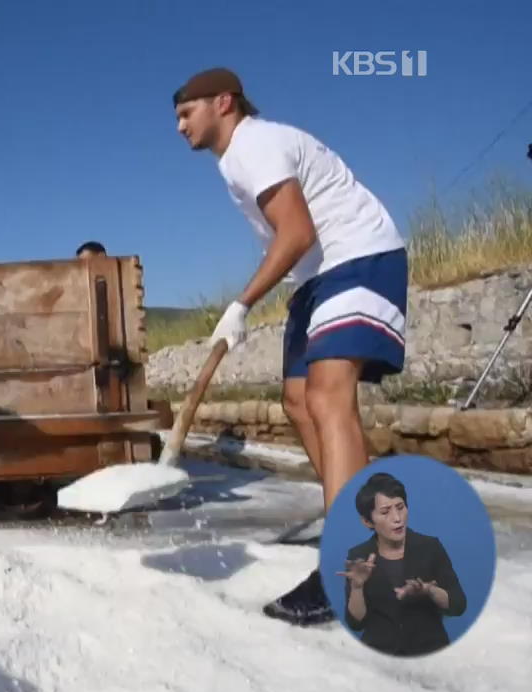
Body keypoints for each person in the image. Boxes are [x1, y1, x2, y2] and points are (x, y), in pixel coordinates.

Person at [173, 68, 409, 625]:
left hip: (356, 257)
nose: (179, 126)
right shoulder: (237, 158)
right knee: (300, 401)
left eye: (187, 113)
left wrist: (242, 303)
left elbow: (297, 231)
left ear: (223, 103)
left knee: (329, 398)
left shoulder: (254, 143)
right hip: (315, 277)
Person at [337, 472, 466, 656]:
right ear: (367, 521)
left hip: (429, 653)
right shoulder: (359, 556)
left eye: (400, 507)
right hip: (379, 655)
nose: (397, 518)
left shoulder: (430, 547)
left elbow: (458, 605)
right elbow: (356, 623)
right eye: (385, 512)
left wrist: (429, 591)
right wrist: (357, 587)